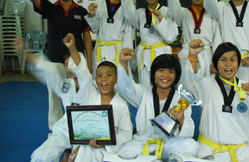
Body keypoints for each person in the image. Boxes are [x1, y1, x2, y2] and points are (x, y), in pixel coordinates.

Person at [15, 0, 93, 129]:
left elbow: (87, 38)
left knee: (82, 95)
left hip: (76, 60)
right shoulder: (50, 9)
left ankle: (81, 127)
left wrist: (89, 63)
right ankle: (56, 130)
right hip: (55, 60)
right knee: (55, 96)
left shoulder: (81, 11)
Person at [183, 39, 249, 162]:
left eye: (232, 60)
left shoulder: (248, 87)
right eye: (223, 60)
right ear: (216, 64)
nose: (228, 64)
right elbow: (188, 86)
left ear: (238, 63)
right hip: (209, 150)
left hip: (240, 153)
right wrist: (193, 57)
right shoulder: (206, 85)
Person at [13, 37, 87, 162]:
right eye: (67, 65)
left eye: (74, 64)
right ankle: (68, 150)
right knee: (40, 157)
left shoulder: (91, 84)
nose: (70, 68)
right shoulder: (66, 86)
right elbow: (48, 70)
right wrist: (26, 53)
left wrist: (72, 47)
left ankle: (70, 152)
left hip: (88, 130)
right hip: (66, 128)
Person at [116, 49, 198, 160]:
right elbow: (126, 87)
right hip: (144, 141)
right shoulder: (144, 93)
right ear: (154, 73)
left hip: (167, 143)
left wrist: (182, 120)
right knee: (123, 152)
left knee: (191, 146)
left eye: (170, 71)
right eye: (160, 70)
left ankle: (149, 158)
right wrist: (123, 63)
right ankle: (163, 157)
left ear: (176, 75)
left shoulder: (181, 99)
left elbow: (188, 132)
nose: (165, 75)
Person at [63, 33, 133, 162]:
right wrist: (72, 48)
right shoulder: (91, 92)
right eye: (99, 76)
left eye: (108, 75)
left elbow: (126, 133)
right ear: (96, 79)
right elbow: (83, 72)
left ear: (116, 79)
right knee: (84, 151)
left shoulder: (121, 104)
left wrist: (105, 142)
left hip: (109, 148)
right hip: (87, 144)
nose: (104, 79)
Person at [121, 0, 178, 87]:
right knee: (145, 88)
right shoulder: (140, 13)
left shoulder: (167, 12)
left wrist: (161, 20)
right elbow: (128, 14)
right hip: (145, 55)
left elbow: (170, 37)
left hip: (162, 54)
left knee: (163, 87)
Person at [167, 0, 222, 77]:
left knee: (206, 86)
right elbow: (174, 10)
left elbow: (217, 40)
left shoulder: (211, 15)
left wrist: (216, 61)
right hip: (188, 52)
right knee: (187, 84)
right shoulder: (183, 13)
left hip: (206, 54)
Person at [85, 0, 134, 77]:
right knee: (100, 81)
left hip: (118, 50)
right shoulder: (99, 4)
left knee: (120, 81)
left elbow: (130, 24)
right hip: (101, 50)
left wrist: (128, 51)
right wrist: (92, 15)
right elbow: (94, 29)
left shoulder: (127, 7)